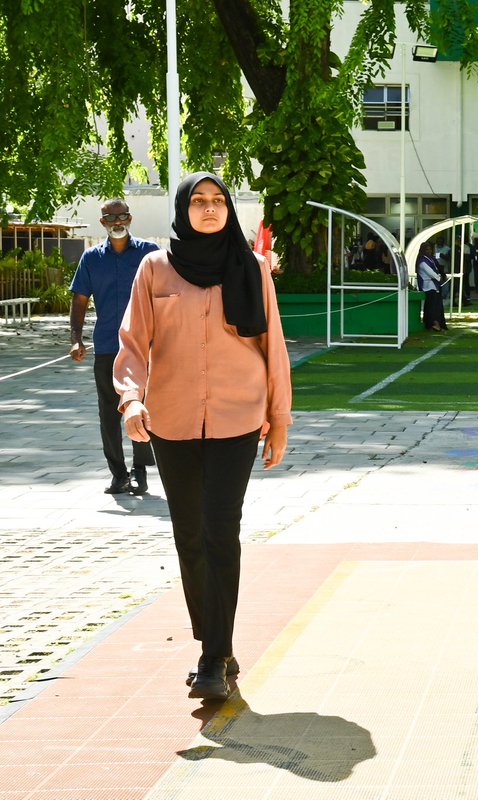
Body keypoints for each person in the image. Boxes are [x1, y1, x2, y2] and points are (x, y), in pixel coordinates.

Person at [115, 172, 292, 702]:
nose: (210, 209)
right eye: (199, 201)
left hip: (238, 418)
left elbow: (273, 347)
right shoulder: (155, 269)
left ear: (229, 210)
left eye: (218, 201)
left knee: (220, 531)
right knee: (188, 536)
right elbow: (131, 344)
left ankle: (214, 655)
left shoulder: (252, 268)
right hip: (170, 420)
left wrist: (278, 419)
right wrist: (131, 399)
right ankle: (215, 642)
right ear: (182, 209)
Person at [69, 199, 159, 495]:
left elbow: (167, 296)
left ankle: (141, 472)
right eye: (111, 217)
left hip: (145, 347)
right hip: (108, 345)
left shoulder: (150, 254)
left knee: (141, 408)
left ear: (130, 218)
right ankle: (118, 474)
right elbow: (79, 299)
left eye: (121, 216)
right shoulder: (92, 258)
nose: (117, 221)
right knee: (109, 412)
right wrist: (75, 338)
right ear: (103, 222)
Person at [417, 241, 447, 331]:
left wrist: (441, 276)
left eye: (430, 249)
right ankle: (433, 324)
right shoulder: (422, 261)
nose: (429, 251)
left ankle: (437, 323)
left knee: (437, 306)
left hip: (435, 286)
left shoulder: (431, 258)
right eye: (427, 249)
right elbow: (430, 272)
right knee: (432, 307)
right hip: (429, 286)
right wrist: (439, 278)